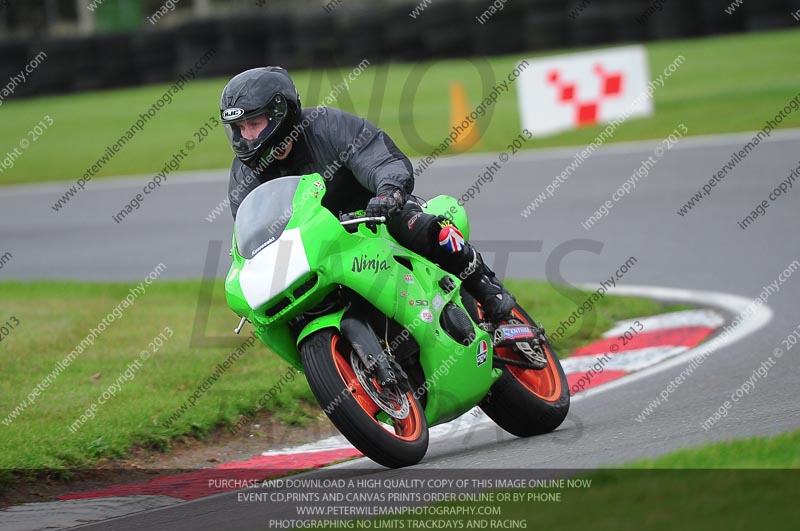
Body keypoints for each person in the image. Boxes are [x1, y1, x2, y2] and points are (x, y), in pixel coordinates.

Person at [220, 66, 516, 324]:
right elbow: (251, 231)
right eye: (239, 128)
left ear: (280, 114)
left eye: (254, 124)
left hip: (374, 217)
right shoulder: (244, 175)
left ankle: (488, 290)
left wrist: (388, 193)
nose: (246, 137)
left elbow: (380, 158)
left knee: (412, 223)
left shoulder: (327, 126)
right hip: (317, 249)